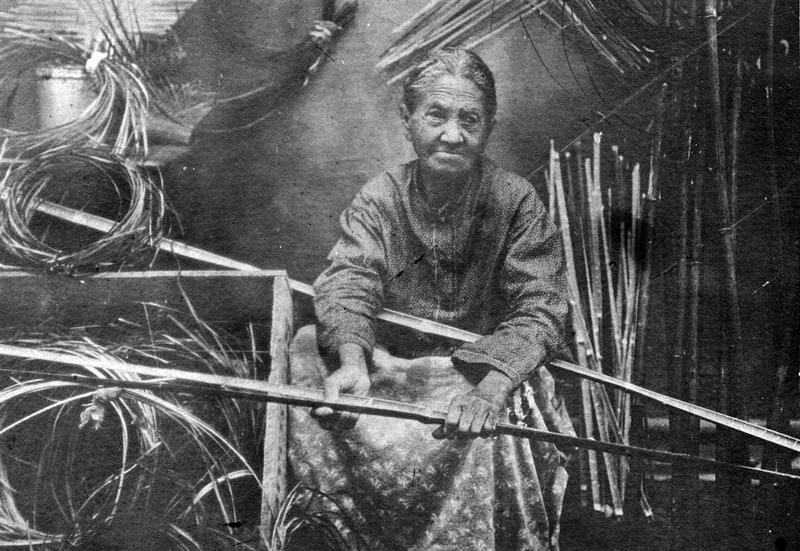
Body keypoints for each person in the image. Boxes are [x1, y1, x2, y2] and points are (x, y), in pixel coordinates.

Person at [288, 47, 574, 550]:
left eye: (470, 119)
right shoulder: (380, 196)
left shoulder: (516, 201)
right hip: (391, 370)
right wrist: (352, 361)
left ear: (488, 127)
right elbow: (349, 280)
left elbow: (541, 307)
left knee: (512, 402)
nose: (452, 134)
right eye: (436, 115)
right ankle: (340, 537)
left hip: (473, 372)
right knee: (306, 352)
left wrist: (491, 389)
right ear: (408, 119)